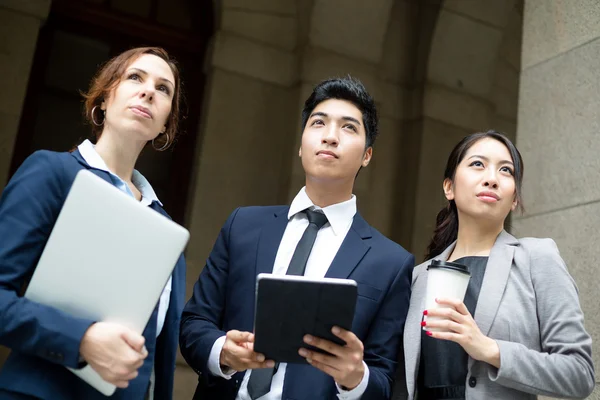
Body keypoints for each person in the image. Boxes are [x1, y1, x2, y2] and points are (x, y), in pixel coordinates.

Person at [180, 76, 414, 400]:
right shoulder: (243, 226)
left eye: (348, 127)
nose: (330, 137)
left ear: (367, 155)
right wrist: (222, 351)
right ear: (301, 145)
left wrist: (355, 377)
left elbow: (384, 380)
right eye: (319, 123)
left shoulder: (391, 263)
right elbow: (194, 323)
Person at [0, 47, 186, 400]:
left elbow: (158, 362)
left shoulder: (166, 229)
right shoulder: (52, 173)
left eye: (164, 89)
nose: (148, 91)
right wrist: (81, 339)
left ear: (165, 125)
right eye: (135, 77)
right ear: (102, 100)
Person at [394, 130, 595, 400]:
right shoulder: (418, 277)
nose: (491, 179)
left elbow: (580, 374)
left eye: (506, 170)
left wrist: (491, 350)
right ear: (449, 187)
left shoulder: (537, 258)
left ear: (514, 199)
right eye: (478, 164)